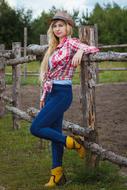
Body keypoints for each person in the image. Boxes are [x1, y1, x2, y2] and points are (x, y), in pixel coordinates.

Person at [30, 11, 99, 188]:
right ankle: (57, 175)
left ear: (68, 27)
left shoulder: (72, 43)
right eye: (54, 26)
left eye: (61, 25)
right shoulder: (53, 48)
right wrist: (43, 96)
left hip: (62, 94)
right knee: (54, 136)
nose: (57, 29)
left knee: (36, 127)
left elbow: (94, 49)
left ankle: (73, 143)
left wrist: (82, 50)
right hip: (51, 93)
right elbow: (47, 76)